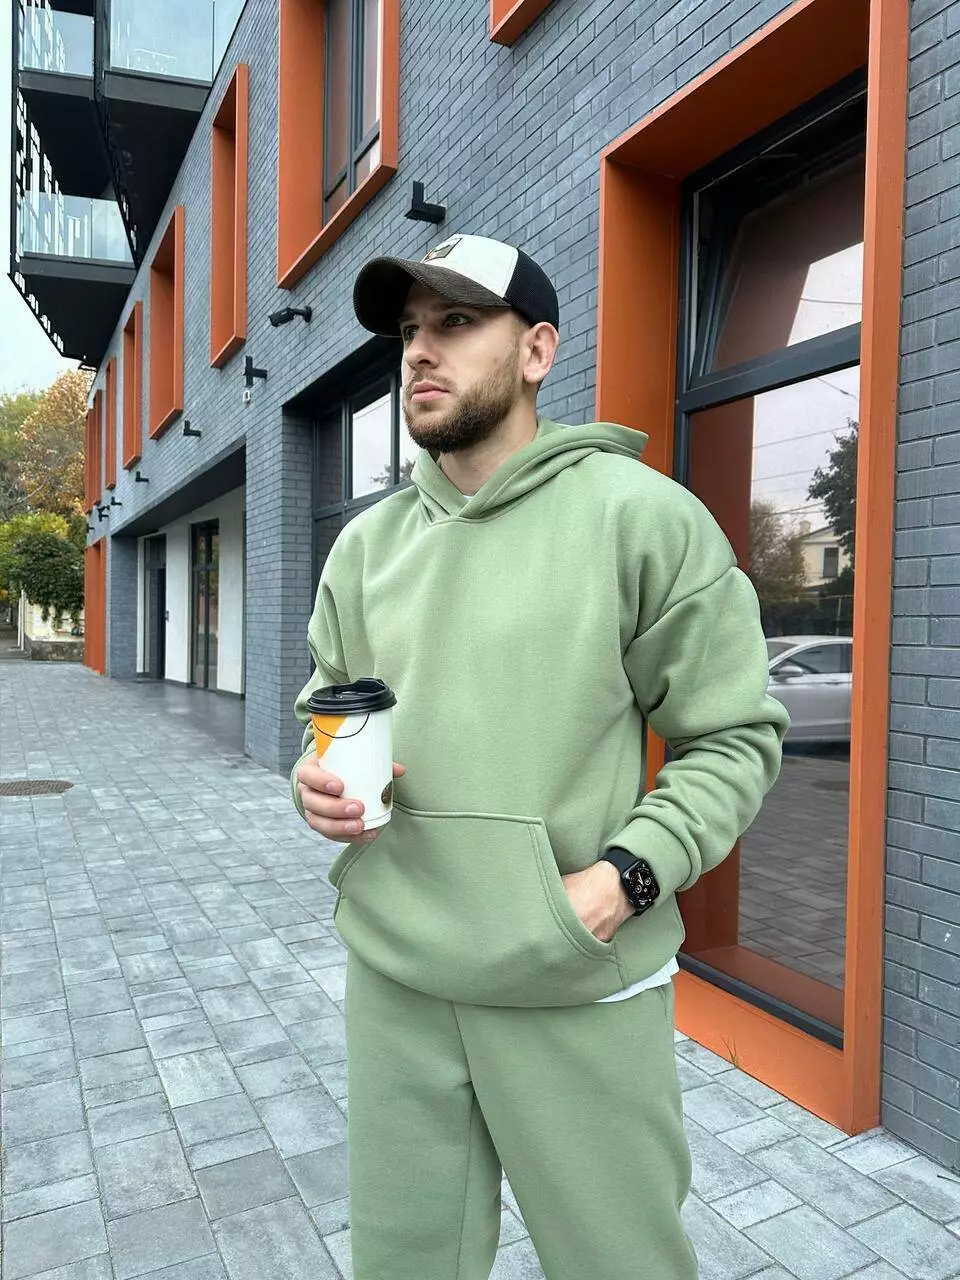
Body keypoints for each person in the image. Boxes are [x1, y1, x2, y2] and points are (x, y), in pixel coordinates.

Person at [291, 233, 789, 1280]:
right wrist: (316, 781)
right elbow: (326, 706)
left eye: (456, 322)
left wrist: (626, 879)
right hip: (397, 973)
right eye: (408, 331)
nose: (420, 352)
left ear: (537, 351)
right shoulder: (364, 548)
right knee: (402, 1264)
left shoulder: (640, 517)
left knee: (620, 1262)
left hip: (572, 977)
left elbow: (734, 735)